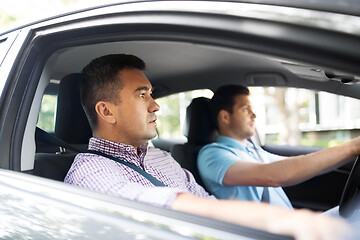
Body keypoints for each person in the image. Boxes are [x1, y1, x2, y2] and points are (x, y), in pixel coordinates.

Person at [64, 54, 352, 240]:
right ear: (106, 111)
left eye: (151, 93)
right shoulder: (90, 171)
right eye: (142, 95)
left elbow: (206, 202)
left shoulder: (162, 158)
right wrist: (283, 221)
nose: (155, 105)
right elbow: (155, 203)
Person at [197, 84, 360, 210]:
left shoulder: (253, 151)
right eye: (246, 110)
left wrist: (347, 154)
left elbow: (295, 166)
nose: (254, 115)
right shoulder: (212, 155)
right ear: (225, 117)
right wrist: (352, 147)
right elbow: (274, 175)